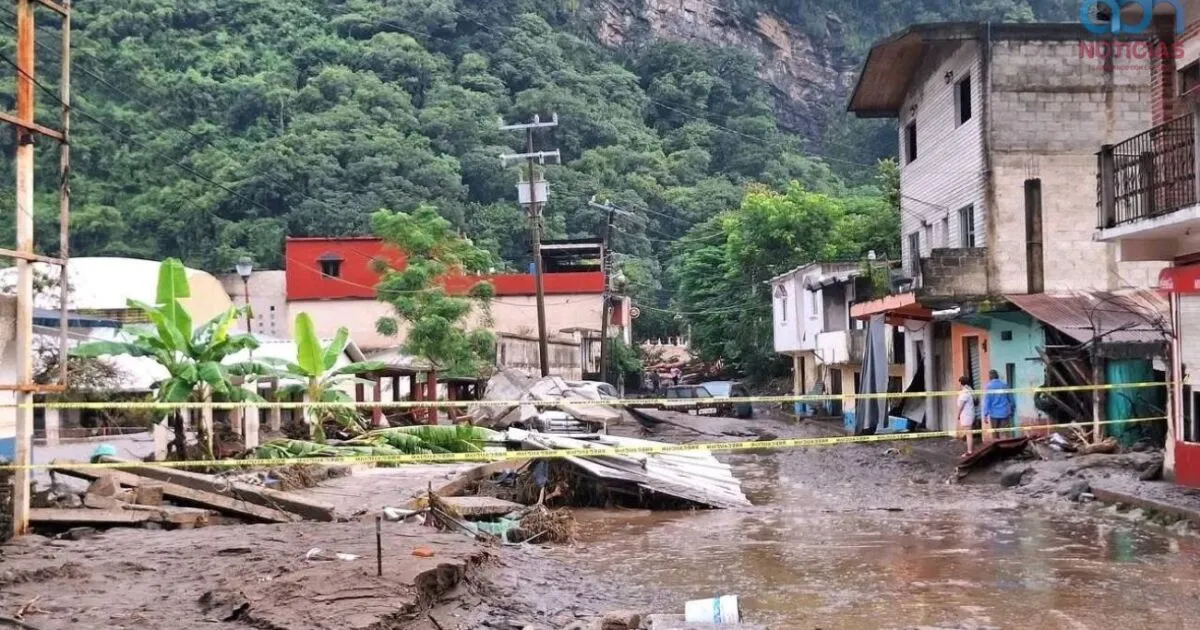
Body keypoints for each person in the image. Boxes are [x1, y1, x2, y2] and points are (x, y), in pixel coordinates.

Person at [982, 369, 1017, 441]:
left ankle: (997, 448)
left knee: (995, 434)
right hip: (1005, 412)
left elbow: (987, 401)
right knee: (1006, 433)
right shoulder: (1004, 385)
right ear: (997, 376)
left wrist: (985, 414)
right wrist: (1013, 409)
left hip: (994, 414)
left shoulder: (989, 386)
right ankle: (1008, 448)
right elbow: (1011, 398)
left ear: (990, 377)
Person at [956, 376, 977, 455]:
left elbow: (961, 406)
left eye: (959, 383)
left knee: (969, 434)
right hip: (968, 414)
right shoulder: (968, 391)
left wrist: (958, 415)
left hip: (966, 415)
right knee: (969, 433)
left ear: (961, 383)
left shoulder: (964, 393)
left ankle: (969, 451)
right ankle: (970, 450)